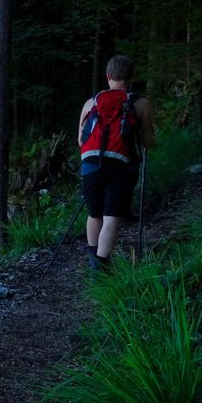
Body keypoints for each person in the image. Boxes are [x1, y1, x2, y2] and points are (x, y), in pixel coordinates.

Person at [78, 55, 156, 270]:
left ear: (108, 75)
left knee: (94, 214)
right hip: (122, 167)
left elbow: (80, 140)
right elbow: (147, 141)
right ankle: (100, 268)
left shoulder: (91, 102)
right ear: (131, 77)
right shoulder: (140, 103)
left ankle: (94, 259)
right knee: (111, 216)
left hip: (91, 164)